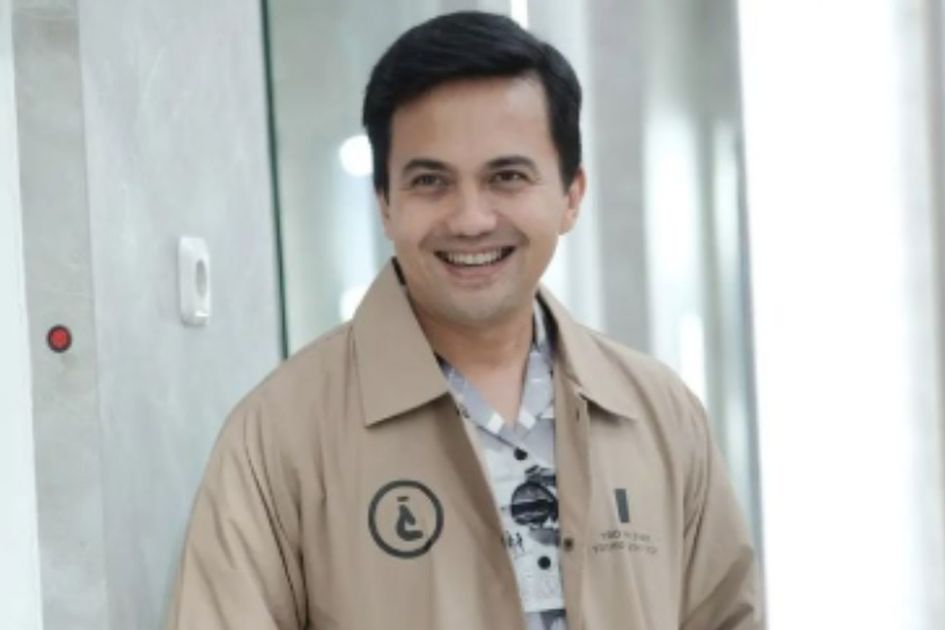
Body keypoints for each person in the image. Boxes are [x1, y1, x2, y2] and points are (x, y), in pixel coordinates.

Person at [166, 11, 762, 630]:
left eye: (507, 177)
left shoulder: (660, 415)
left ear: (571, 195)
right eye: (431, 181)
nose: (471, 219)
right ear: (385, 204)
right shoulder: (279, 435)